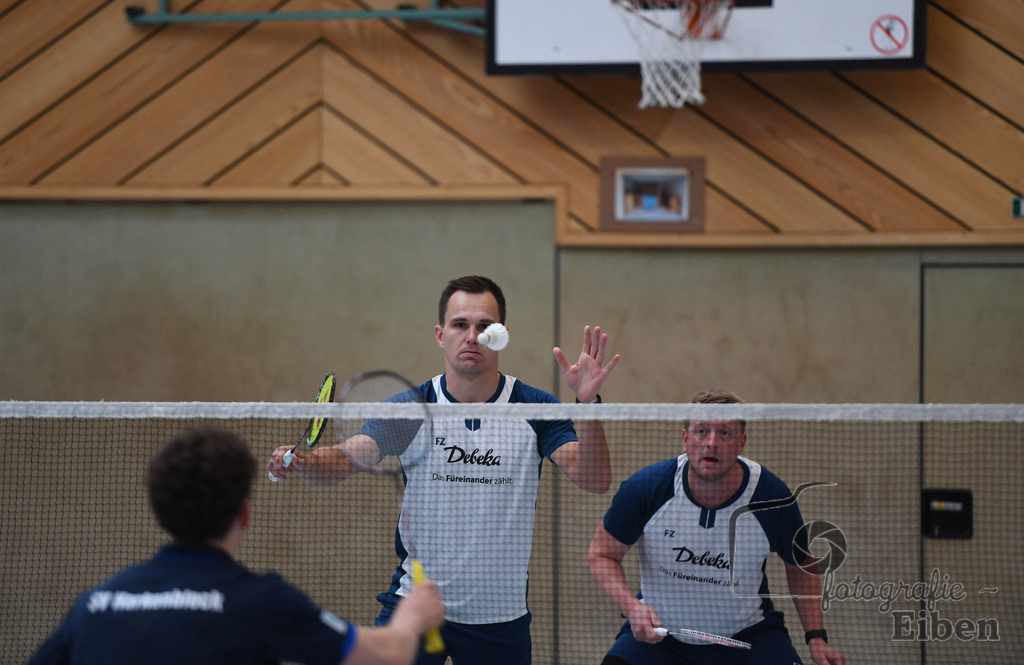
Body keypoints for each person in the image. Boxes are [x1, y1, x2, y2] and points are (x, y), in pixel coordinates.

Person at [268, 275, 620, 664]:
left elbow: (594, 479)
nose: (472, 336)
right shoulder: (412, 408)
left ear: (501, 335)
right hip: (417, 606)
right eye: (460, 325)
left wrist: (589, 408)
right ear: (440, 335)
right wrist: (304, 462)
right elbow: (346, 458)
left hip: (499, 619)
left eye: (485, 326)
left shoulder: (534, 408)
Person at [30, 425, 445, 665]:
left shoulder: (96, 606)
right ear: (244, 515)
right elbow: (384, 656)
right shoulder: (263, 603)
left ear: (159, 512)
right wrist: (411, 617)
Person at [587, 390, 847, 665]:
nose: (712, 443)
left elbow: (801, 565)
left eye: (724, 433)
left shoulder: (770, 497)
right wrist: (632, 608)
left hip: (748, 638)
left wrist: (816, 637)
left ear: (741, 443)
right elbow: (601, 555)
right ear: (685, 439)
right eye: (701, 431)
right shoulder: (647, 488)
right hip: (660, 638)